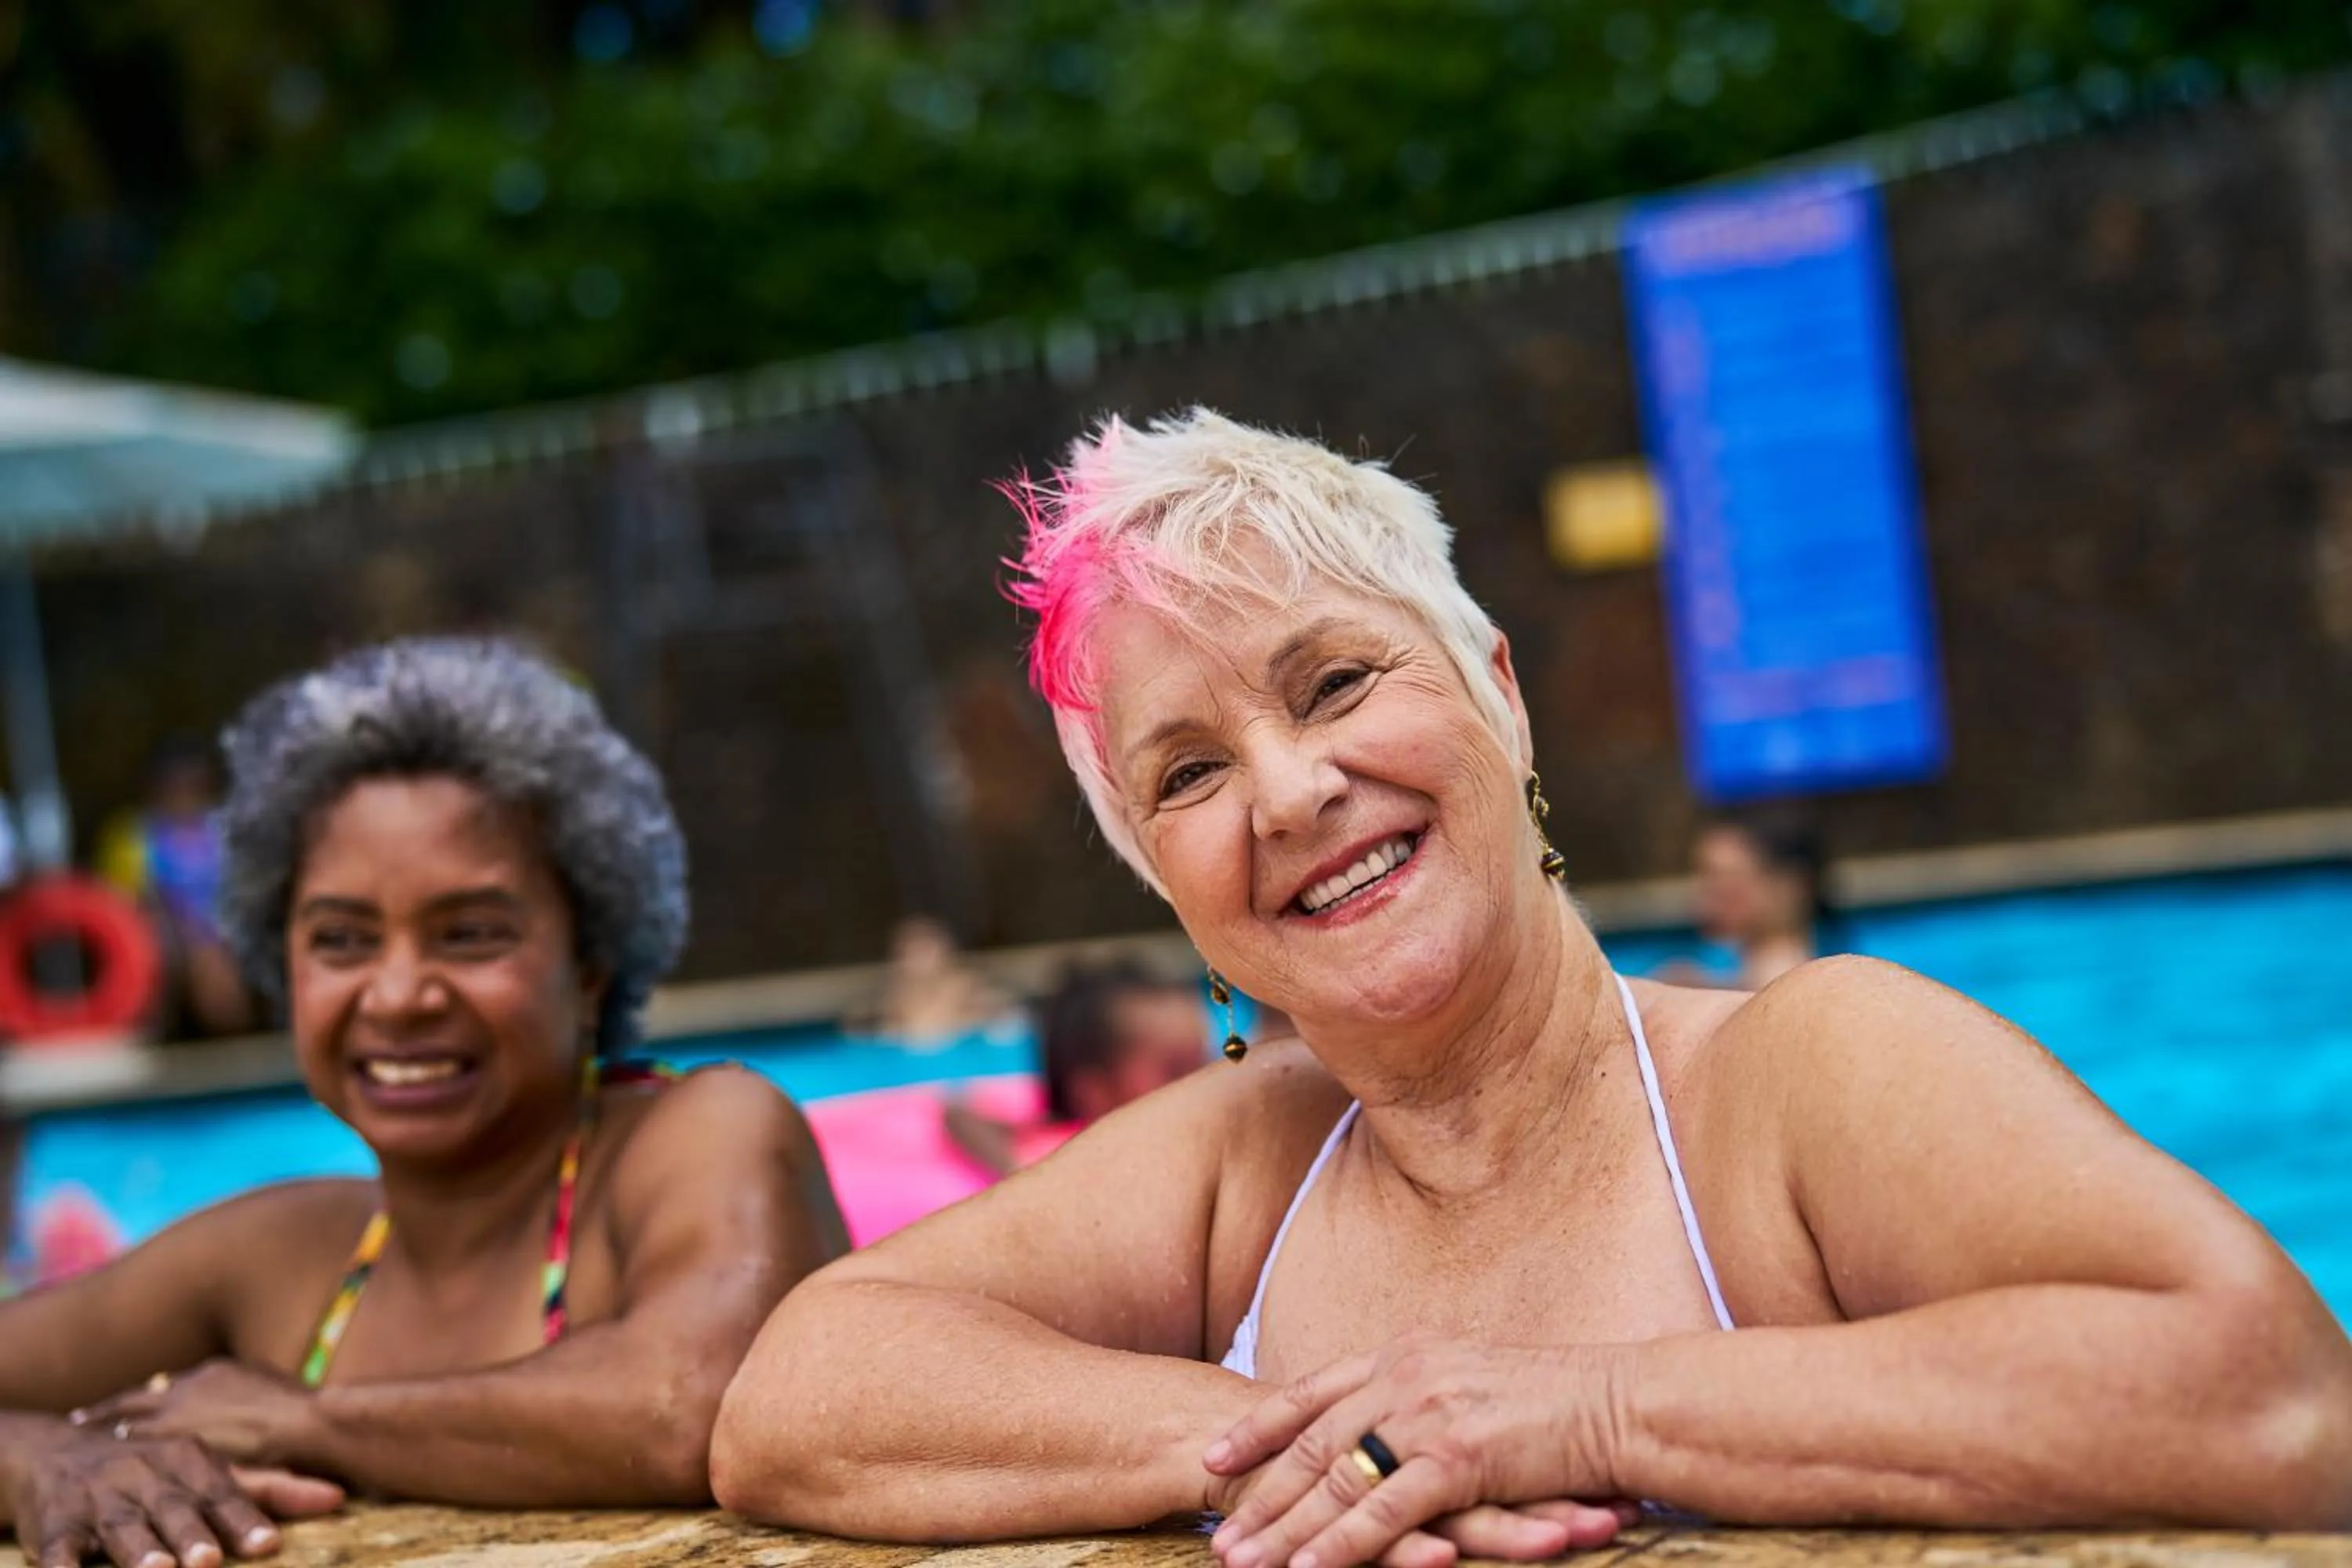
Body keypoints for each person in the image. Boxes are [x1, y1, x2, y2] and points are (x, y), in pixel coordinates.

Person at [710, 409, 2352, 1563]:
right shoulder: (1238, 1164)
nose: (1288, 793)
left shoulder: (1802, 1076)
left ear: (1497, 693)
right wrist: (1315, 1439)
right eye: (1191, 772)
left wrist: (1591, 1410)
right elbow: (802, 1391)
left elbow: (2273, 1394)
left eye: (1337, 679)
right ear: (1166, 889)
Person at [1, 637, 848, 1568]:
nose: (399, 993)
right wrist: (38, 1456)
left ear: (591, 966)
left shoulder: (704, 1133)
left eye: (472, 932)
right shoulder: (276, 1258)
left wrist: (302, 1418)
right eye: (342, 939)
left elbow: (697, 1398)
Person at [943, 962, 1218, 1178]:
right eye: (1177, 1069)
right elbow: (957, 1113)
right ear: (1094, 1091)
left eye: (1206, 1061)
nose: (1205, 1081)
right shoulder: (1067, 1161)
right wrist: (1015, 1170)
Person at [96, 739, 254, 1039]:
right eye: (174, 784)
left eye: (193, 783)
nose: (183, 792)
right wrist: (187, 935)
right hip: (165, 943)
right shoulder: (134, 836)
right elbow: (120, 913)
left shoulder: (225, 829)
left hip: (225, 935)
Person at [1668, 814, 1835, 991]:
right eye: (1704, 877)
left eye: (1729, 877)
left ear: (1793, 886)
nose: (1708, 893)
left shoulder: (1790, 990)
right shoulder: (1711, 981)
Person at [863, 913, 1018, 1046]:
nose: (920, 958)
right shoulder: (893, 996)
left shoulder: (969, 986)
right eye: (911, 950)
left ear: (944, 950)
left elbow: (1004, 1021)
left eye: (926, 948)